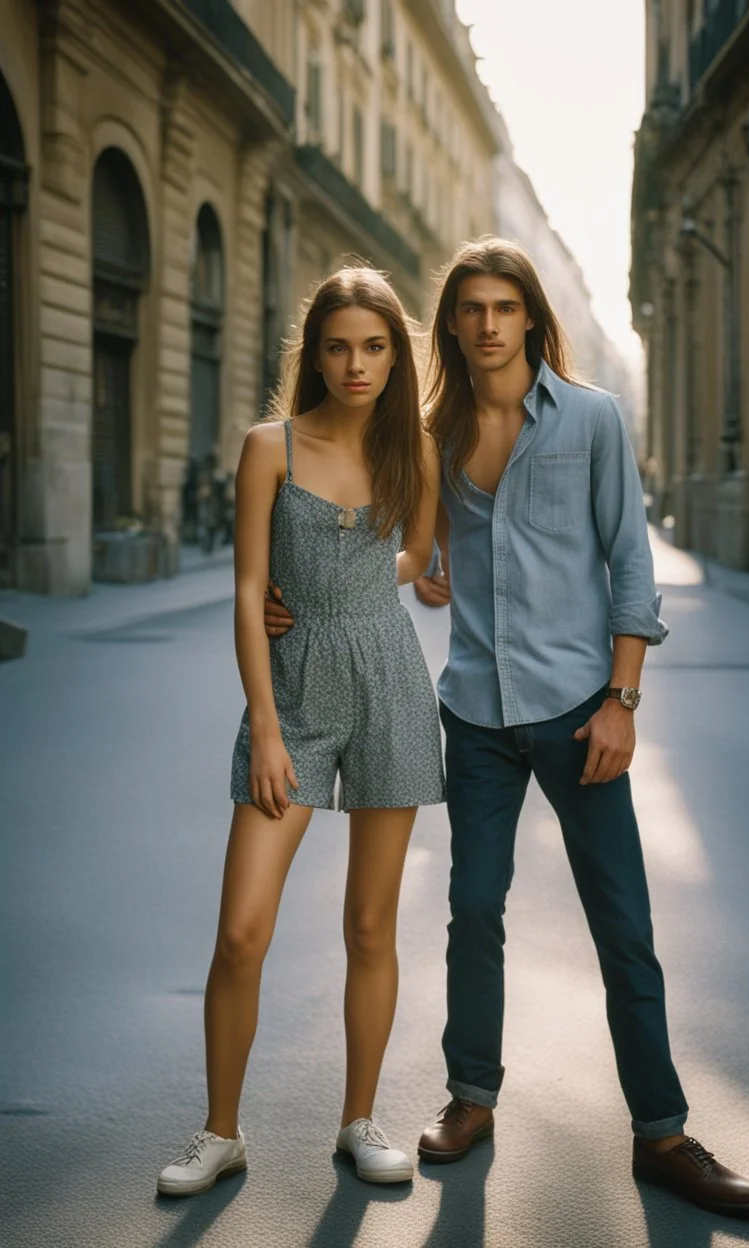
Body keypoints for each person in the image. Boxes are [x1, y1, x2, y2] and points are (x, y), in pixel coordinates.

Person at [264, 239, 749, 1217]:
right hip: (477, 714)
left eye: (505, 306)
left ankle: (662, 1135)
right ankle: (471, 1098)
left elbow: (629, 559)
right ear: (451, 324)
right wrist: (283, 598)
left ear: (531, 318)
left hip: (582, 711)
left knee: (623, 924)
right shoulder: (429, 432)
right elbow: (367, 538)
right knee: (475, 910)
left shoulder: (589, 420)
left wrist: (621, 700)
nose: (488, 323)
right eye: (471, 308)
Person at [157, 267, 445, 1197]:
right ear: (313, 352)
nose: (355, 364)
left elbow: (408, 555)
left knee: (372, 924)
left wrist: (405, 577)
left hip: (392, 688)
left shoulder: (417, 452)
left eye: (373, 347)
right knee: (241, 931)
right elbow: (247, 591)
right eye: (337, 345)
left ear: (395, 355)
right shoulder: (268, 446)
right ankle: (221, 1131)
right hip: (294, 700)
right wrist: (268, 728)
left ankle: (359, 1119)